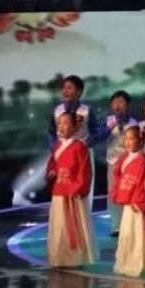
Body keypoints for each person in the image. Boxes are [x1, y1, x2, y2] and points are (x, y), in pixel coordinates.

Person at [46, 112, 98, 268]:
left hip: (73, 193)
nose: (61, 127)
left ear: (75, 127)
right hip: (59, 190)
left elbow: (85, 171)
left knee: (73, 226)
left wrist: (77, 188)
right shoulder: (57, 146)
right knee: (59, 225)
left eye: (66, 123)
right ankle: (59, 257)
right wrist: (51, 172)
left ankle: (75, 258)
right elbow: (52, 164)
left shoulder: (79, 146)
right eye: (59, 123)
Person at [111, 126, 145, 278]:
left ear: (141, 141)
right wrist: (117, 191)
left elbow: (139, 182)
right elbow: (119, 176)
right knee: (127, 232)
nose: (128, 142)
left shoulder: (142, 159)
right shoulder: (125, 156)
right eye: (126, 139)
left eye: (132, 139)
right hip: (128, 200)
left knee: (136, 232)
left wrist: (137, 201)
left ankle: (138, 261)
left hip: (136, 202)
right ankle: (127, 260)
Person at [47, 75, 99, 210]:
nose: (65, 91)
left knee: (83, 187)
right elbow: (51, 132)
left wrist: (89, 142)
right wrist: (54, 149)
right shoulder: (57, 111)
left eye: (70, 88)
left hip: (82, 153)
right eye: (64, 88)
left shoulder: (86, 110)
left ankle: (82, 217)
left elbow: (96, 131)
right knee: (62, 186)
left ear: (79, 91)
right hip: (62, 153)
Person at [96, 90, 137, 237]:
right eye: (114, 102)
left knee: (129, 191)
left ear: (128, 105)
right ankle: (116, 225)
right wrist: (109, 128)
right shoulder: (108, 120)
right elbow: (97, 137)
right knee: (113, 192)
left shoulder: (133, 123)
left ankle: (130, 223)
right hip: (113, 162)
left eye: (121, 102)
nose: (117, 105)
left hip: (129, 163)